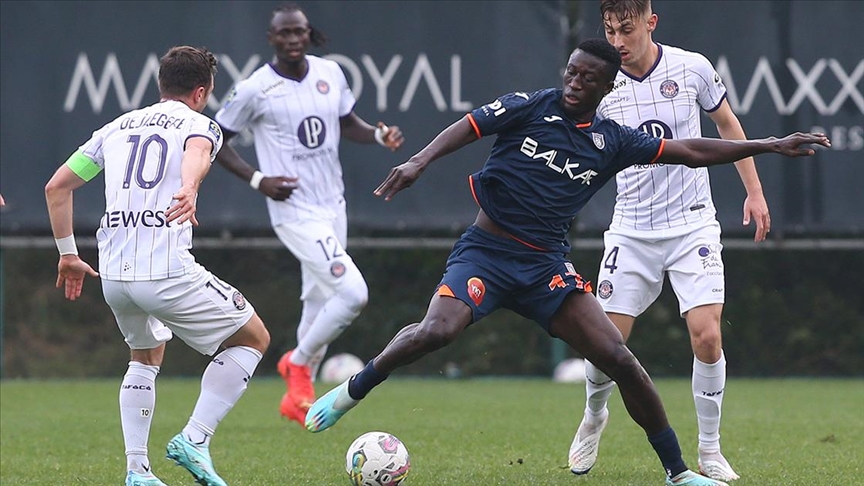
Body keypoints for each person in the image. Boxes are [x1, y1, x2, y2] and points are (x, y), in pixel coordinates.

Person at [304, 38, 828, 486]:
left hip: (544, 269)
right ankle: (354, 389)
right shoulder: (531, 106)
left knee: (619, 358)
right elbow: (469, 125)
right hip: (487, 253)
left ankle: (678, 471)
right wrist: (418, 160)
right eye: (572, 72)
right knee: (437, 332)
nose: (575, 83)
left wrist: (770, 144)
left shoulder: (612, 140)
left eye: (587, 78)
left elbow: (691, 150)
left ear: (608, 86)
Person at [44, 46, 271, 486]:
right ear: (201, 92)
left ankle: (137, 471)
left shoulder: (115, 127)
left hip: (114, 276)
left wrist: (68, 254)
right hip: (165, 271)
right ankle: (195, 438)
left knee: (145, 356)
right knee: (252, 338)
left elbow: (57, 187)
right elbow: (197, 150)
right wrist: (189, 186)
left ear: (161, 84)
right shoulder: (199, 123)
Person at [568, 1, 768, 481]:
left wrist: (755, 191)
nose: (618, 41)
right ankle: (594, 415)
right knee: (606, 343)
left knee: (707, 335)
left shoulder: (691, 67)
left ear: (650, 23)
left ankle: (710, 450)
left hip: (692, 224)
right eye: (610, 31)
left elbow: (727, 126)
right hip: (632, 229)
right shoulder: (602, 82)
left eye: (627, 29)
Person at [213, 2, 404, 426]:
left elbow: (346, 123)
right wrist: (257, 179)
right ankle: (297, 363)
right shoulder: (255, 88)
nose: (293, 39)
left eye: (299, 31)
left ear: (308, 33)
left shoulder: (329, 72)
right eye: (284, 33)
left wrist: (378, 135)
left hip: (333, 204)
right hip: (294, 211)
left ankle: (298, 399)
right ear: (271, 38)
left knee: (319, 300)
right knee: (352, 294)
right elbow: (215, 137)